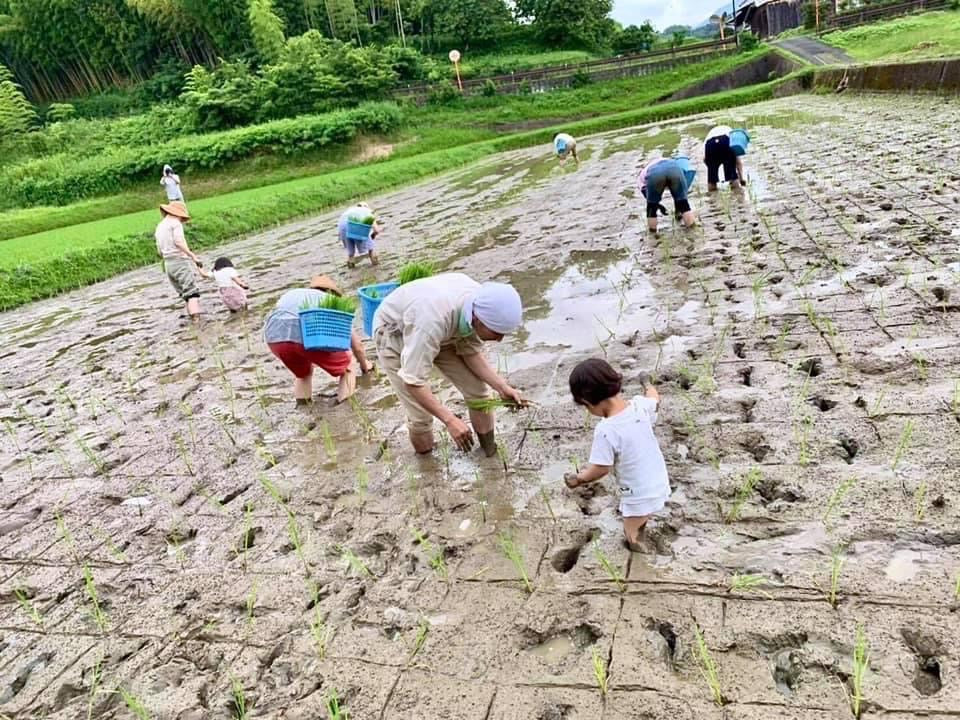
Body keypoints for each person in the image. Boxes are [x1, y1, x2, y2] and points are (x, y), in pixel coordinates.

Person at [372, 273, 525, 456]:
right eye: (496, 332)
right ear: (477, 319)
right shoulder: (431, 321)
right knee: (421, 416)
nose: (499, 340)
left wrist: (502, 387)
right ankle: (427, 468)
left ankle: (489, 453)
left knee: (479, 393)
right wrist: (450, 421)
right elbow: (413, 381)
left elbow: (471, 352)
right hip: (394, 332)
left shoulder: (479, 302)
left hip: (443, 329)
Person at [563, 359, 669, 551]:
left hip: (637, 492)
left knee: (631, 532)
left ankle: (641, 553)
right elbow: (655, 399)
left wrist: (578, 479)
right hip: (659, 481)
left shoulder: (606, 430)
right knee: (643, 514)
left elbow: (601, 468)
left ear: (587, 402)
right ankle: (643, 523)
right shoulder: (639, 406)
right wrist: (647, 383)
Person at [264, 275, 372, 405]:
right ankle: (344, 408)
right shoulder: (330, 300)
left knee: (303, 374)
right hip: (300, 334)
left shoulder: (294, 293)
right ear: (332, 293)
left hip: (274, 337)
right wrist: (365, 367)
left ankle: (304, 407)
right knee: (348, 365)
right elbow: (357, 345)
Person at [155, 201, 207, 322]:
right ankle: (197, 323)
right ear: (179, 214)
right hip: (179, 261)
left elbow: (159, 250)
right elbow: (178, 242)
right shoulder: (175, 224)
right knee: (192, 293)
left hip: (168, 265)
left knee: (185, 295)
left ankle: (191, 321)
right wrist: (193, 256)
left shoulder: (160, 226)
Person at [638, 157, 696, 233]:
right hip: (674, 168)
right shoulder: (670, 161)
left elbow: (649, 198)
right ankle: (693, 231)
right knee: (684, 204)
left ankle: (653, 235)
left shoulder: (642, 176)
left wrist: (658, 206)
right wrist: (678, 210)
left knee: (651, 209)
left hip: (655, 174)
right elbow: (681, 194)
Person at [338, 202, 383, 268]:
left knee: (351, 254)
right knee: (371, 249)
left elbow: (341, 226)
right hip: (355, 225)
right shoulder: (367, 212)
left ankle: (351, 269)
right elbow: (376, 230)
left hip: (342, 228)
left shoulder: (350, 210)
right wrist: (373, 236)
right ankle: (376, 265)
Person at [704, 125, 746, 192]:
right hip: (725, 141)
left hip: (710, 145)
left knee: (711, 181)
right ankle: (737, 197)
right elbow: (738, 162)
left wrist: (712, 169)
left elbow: (705, 159)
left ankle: (713, 198)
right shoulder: (731, 133)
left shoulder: (709, 135)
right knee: (732, 177)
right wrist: (741, 179)